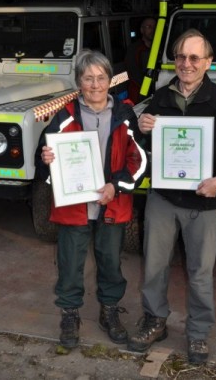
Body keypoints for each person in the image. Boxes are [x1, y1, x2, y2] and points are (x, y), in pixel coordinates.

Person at [127, 29, 216, 364]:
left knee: (199, 273)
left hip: (203, 203)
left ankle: (198, 335)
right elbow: (145, 150)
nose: (186, 63)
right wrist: (144, 130)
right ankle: (155, 321)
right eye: (181, 56)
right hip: (163, 199)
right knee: (154, 266)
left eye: (194, 57)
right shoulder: (162, 98)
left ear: (208, 62)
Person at [35, 49, 147, 349]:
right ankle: (70, 313)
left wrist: (117, 186)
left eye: (101, 78)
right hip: (74, 207)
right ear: (79, 82)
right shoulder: (64, 115)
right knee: (70, 263)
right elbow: (43, 161)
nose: (95, 85)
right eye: (88, 78)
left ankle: (109, 312)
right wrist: (47, 159)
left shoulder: (125, 114)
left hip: (112, 203)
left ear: (110, 80)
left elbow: (139, 158)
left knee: (110, 262)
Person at [124, 17, 156, 104]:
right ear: (142, 30)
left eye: (154, 27)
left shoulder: (162, 49)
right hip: (138, 93)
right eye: (149, 27)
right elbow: (133, 72)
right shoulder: (134, 49)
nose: (152, 30)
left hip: (156, 90)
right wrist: (148, 87)